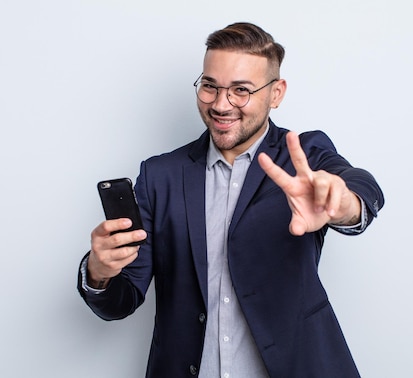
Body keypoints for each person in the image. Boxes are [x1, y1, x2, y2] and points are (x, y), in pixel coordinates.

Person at [78, 22, 384, 377]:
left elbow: (361, 185)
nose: (221, 105)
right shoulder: (160, 175)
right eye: (210, 86)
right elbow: (122, 301)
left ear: (276, 93)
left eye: (241, 90)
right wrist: (99, 274)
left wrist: (344, 204)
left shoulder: (305, 155)